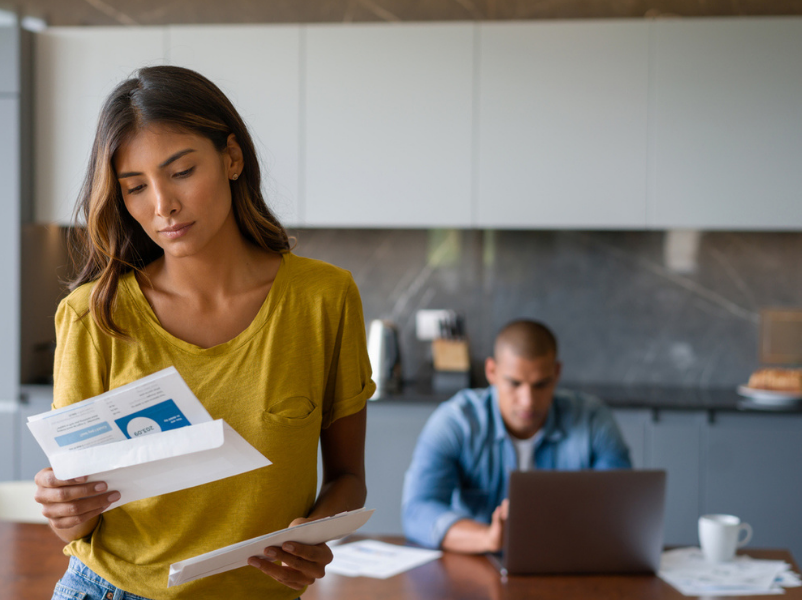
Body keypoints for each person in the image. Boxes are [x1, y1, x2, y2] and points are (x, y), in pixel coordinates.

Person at [33, 65, 375, 600]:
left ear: (232, 158)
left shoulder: (324, 300)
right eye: (135, 187)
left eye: (182, 171)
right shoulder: (91, 316)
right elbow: (78, 525)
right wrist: (64, 510)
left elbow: (348, 477)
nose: (162, 204)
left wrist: (313, 537)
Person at [401, 319, 631, 553]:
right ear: (492, 371)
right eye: (514, 383)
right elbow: (418, 510)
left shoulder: (593, 420)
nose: (528, 401)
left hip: (568, 559)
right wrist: (487, 538)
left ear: (557, 373)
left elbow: (621, 508)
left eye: (541, 385)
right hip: (480, 563)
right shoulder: (456, 422)